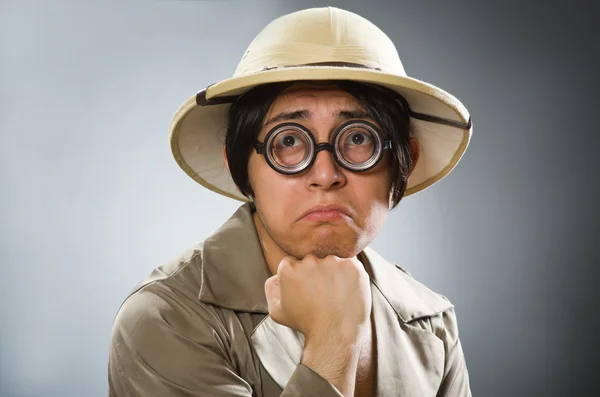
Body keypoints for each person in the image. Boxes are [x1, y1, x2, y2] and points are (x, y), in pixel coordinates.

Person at [108, 6, 473, 397]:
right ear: (239, 167)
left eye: (357, 139)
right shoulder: (167, 319)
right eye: (288, 141)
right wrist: (334, 337)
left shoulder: (430, 322)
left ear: (406, 161)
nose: (325, 174)